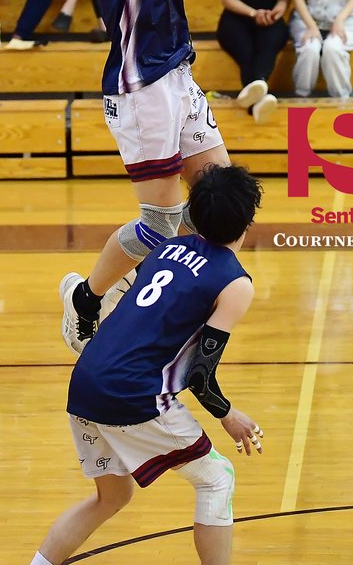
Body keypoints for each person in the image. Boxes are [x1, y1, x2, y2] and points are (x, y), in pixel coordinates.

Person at [56, 0, 335, 354]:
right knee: (160, 219)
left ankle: (167, 300)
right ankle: (87, 299)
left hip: (178, 80)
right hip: (142, 89)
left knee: (224, 202)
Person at [29, 164, 267, 565]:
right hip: (133, 394)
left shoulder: (165, 247)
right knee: (216, 480)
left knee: (112, 496)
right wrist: (228, 414)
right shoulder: (235, 283)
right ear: (248, 220)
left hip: (85, 382)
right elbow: (198, 374)